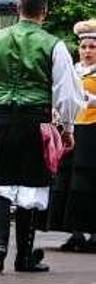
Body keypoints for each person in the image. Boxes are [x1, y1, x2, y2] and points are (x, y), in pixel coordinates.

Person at [0, 0, 82, 274]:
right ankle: (24, 256)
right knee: (32, 186)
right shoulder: (54, 45)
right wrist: (67, 127)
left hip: (1, 119)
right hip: (35, 121)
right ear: (45, 11)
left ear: (18, 10)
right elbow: (66, 92)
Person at [48, 19, 96, 252]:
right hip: (75, 129)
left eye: (92, 47)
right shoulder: (73, 71)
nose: (87, 51)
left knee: (91, 180)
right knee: (70, 181)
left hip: (94, 130)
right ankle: (75, 232)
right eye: (84, 47)